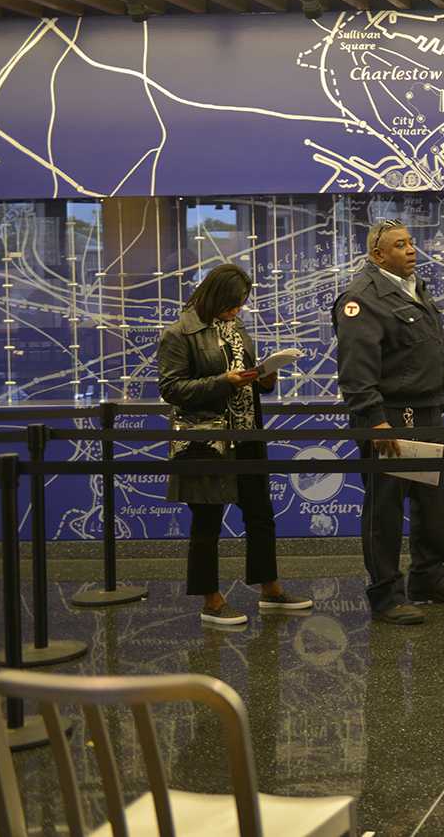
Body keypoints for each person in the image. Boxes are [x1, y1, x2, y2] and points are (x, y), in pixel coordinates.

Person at [333, 218, 444, 626]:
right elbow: (356, 372)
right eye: (400, 245)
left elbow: (431, 346)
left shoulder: (413, 287)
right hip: (390, 417)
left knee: (432, 503)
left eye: (411, 242)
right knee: (386, 508)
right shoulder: (361, 298)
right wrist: (375, 422)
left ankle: (428, 578)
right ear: (378, 254)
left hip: (427, 410)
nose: (411, 249)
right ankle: (387, 594)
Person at [157, 262, 312, 627]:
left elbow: (249, 373)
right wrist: (224, 381)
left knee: (260, 514)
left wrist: (265, 376)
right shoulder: (180, 332)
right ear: (215, 297)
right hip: (206, 439)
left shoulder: (236, 326)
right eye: (232, 304)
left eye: (241, 304)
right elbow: (172, 389)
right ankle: (211, 600)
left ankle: (269, 589)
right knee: (207, 521)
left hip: (246, 434)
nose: (237, 310)